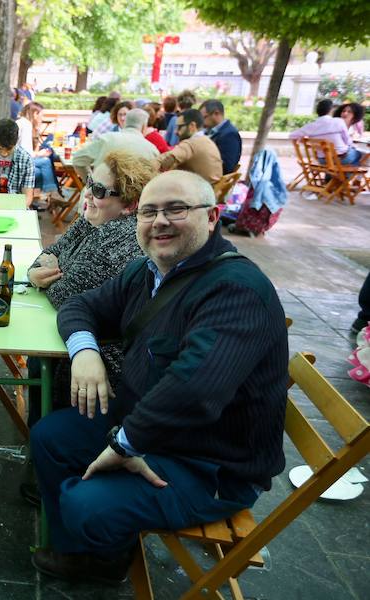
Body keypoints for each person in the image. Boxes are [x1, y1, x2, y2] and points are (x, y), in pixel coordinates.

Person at [30, 170, 288, 585]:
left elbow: (196, 389)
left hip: (212, 464)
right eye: (149, 212)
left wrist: (125, 443)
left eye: (177, 209)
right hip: (154, 427)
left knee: (85, 505)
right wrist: (85, 352)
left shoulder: (235, 290)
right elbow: (80, 305)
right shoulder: (147, 271)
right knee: (50, 437)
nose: (159, 221)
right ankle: (87, 551)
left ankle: (103, 554)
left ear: (212, 216)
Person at [22, 151, 155, 483]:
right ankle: (40, 459)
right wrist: (37, 270)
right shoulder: (93, 218)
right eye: (88, 183)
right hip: (83, 334)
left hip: (109, 363)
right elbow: (46, 255)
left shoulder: (122, 239)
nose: (87, 196)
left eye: (99, 190)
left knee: (41, 361)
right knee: (36, 359)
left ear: (129, 204)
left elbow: (66, 294)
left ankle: (48, 469)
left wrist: (48, 274)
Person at [71, 108, 158, 180]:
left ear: (125, 122)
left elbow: (78, 160)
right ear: (143, 126)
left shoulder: (106, 138)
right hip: (132, 199)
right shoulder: (151, 149)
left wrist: (91, 184)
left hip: (100, 195)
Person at [159, 108, 223, 184]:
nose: (175, 132)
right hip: (210, 190)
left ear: (192, 126)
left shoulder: (191, 144)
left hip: (200, 193)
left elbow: (167, 158)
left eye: (179, 127)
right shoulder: (206, 140)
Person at [293, 100, 364, 166]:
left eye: (349, 112)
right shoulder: (339, 121)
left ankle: (331, 178)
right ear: (331, 111)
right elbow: (348, 142)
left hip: (322, 160)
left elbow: (292, 135)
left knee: (344, 156)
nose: (345, 113)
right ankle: (348, 178)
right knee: (358, 154)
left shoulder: (310, 126)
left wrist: (305, 142)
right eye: (344, 111)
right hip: (340, 159)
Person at [16, 101, 61, 202]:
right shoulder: (26, 125)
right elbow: (27, 154)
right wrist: (39, 154)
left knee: (42, 171)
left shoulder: (23, 123)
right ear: (35, 114)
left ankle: (46, 196)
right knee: (45, 162)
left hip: (17, 162)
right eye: (42, 115)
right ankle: (52, 194)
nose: (42, 118)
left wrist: (36, 131)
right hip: (17, 164)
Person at [201, 99, 242, 175]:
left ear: (216, 113)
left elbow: (227, 167)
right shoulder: (213, 131)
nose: (202, 122)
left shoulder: (229, 134)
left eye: (204, 117)